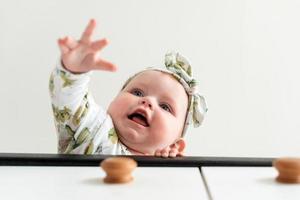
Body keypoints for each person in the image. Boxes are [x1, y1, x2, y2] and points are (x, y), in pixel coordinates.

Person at [49, 19, 207, 157]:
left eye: (165, 106)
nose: (147, 101)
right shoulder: (94, 129)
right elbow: (70, 101)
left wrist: (173, 167)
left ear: (174, 146)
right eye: (137, 92)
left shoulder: (164, 170)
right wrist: (73, 73)